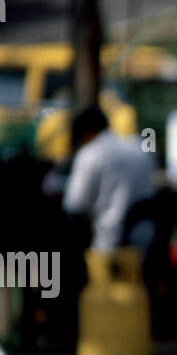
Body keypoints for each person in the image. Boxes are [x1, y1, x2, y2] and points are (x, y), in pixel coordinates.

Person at [62, 106, 156, 254]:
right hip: (143, 239)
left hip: (103, 243)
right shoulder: (139, 148)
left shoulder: (89, 153)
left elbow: (75, 204)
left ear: (85, 134)